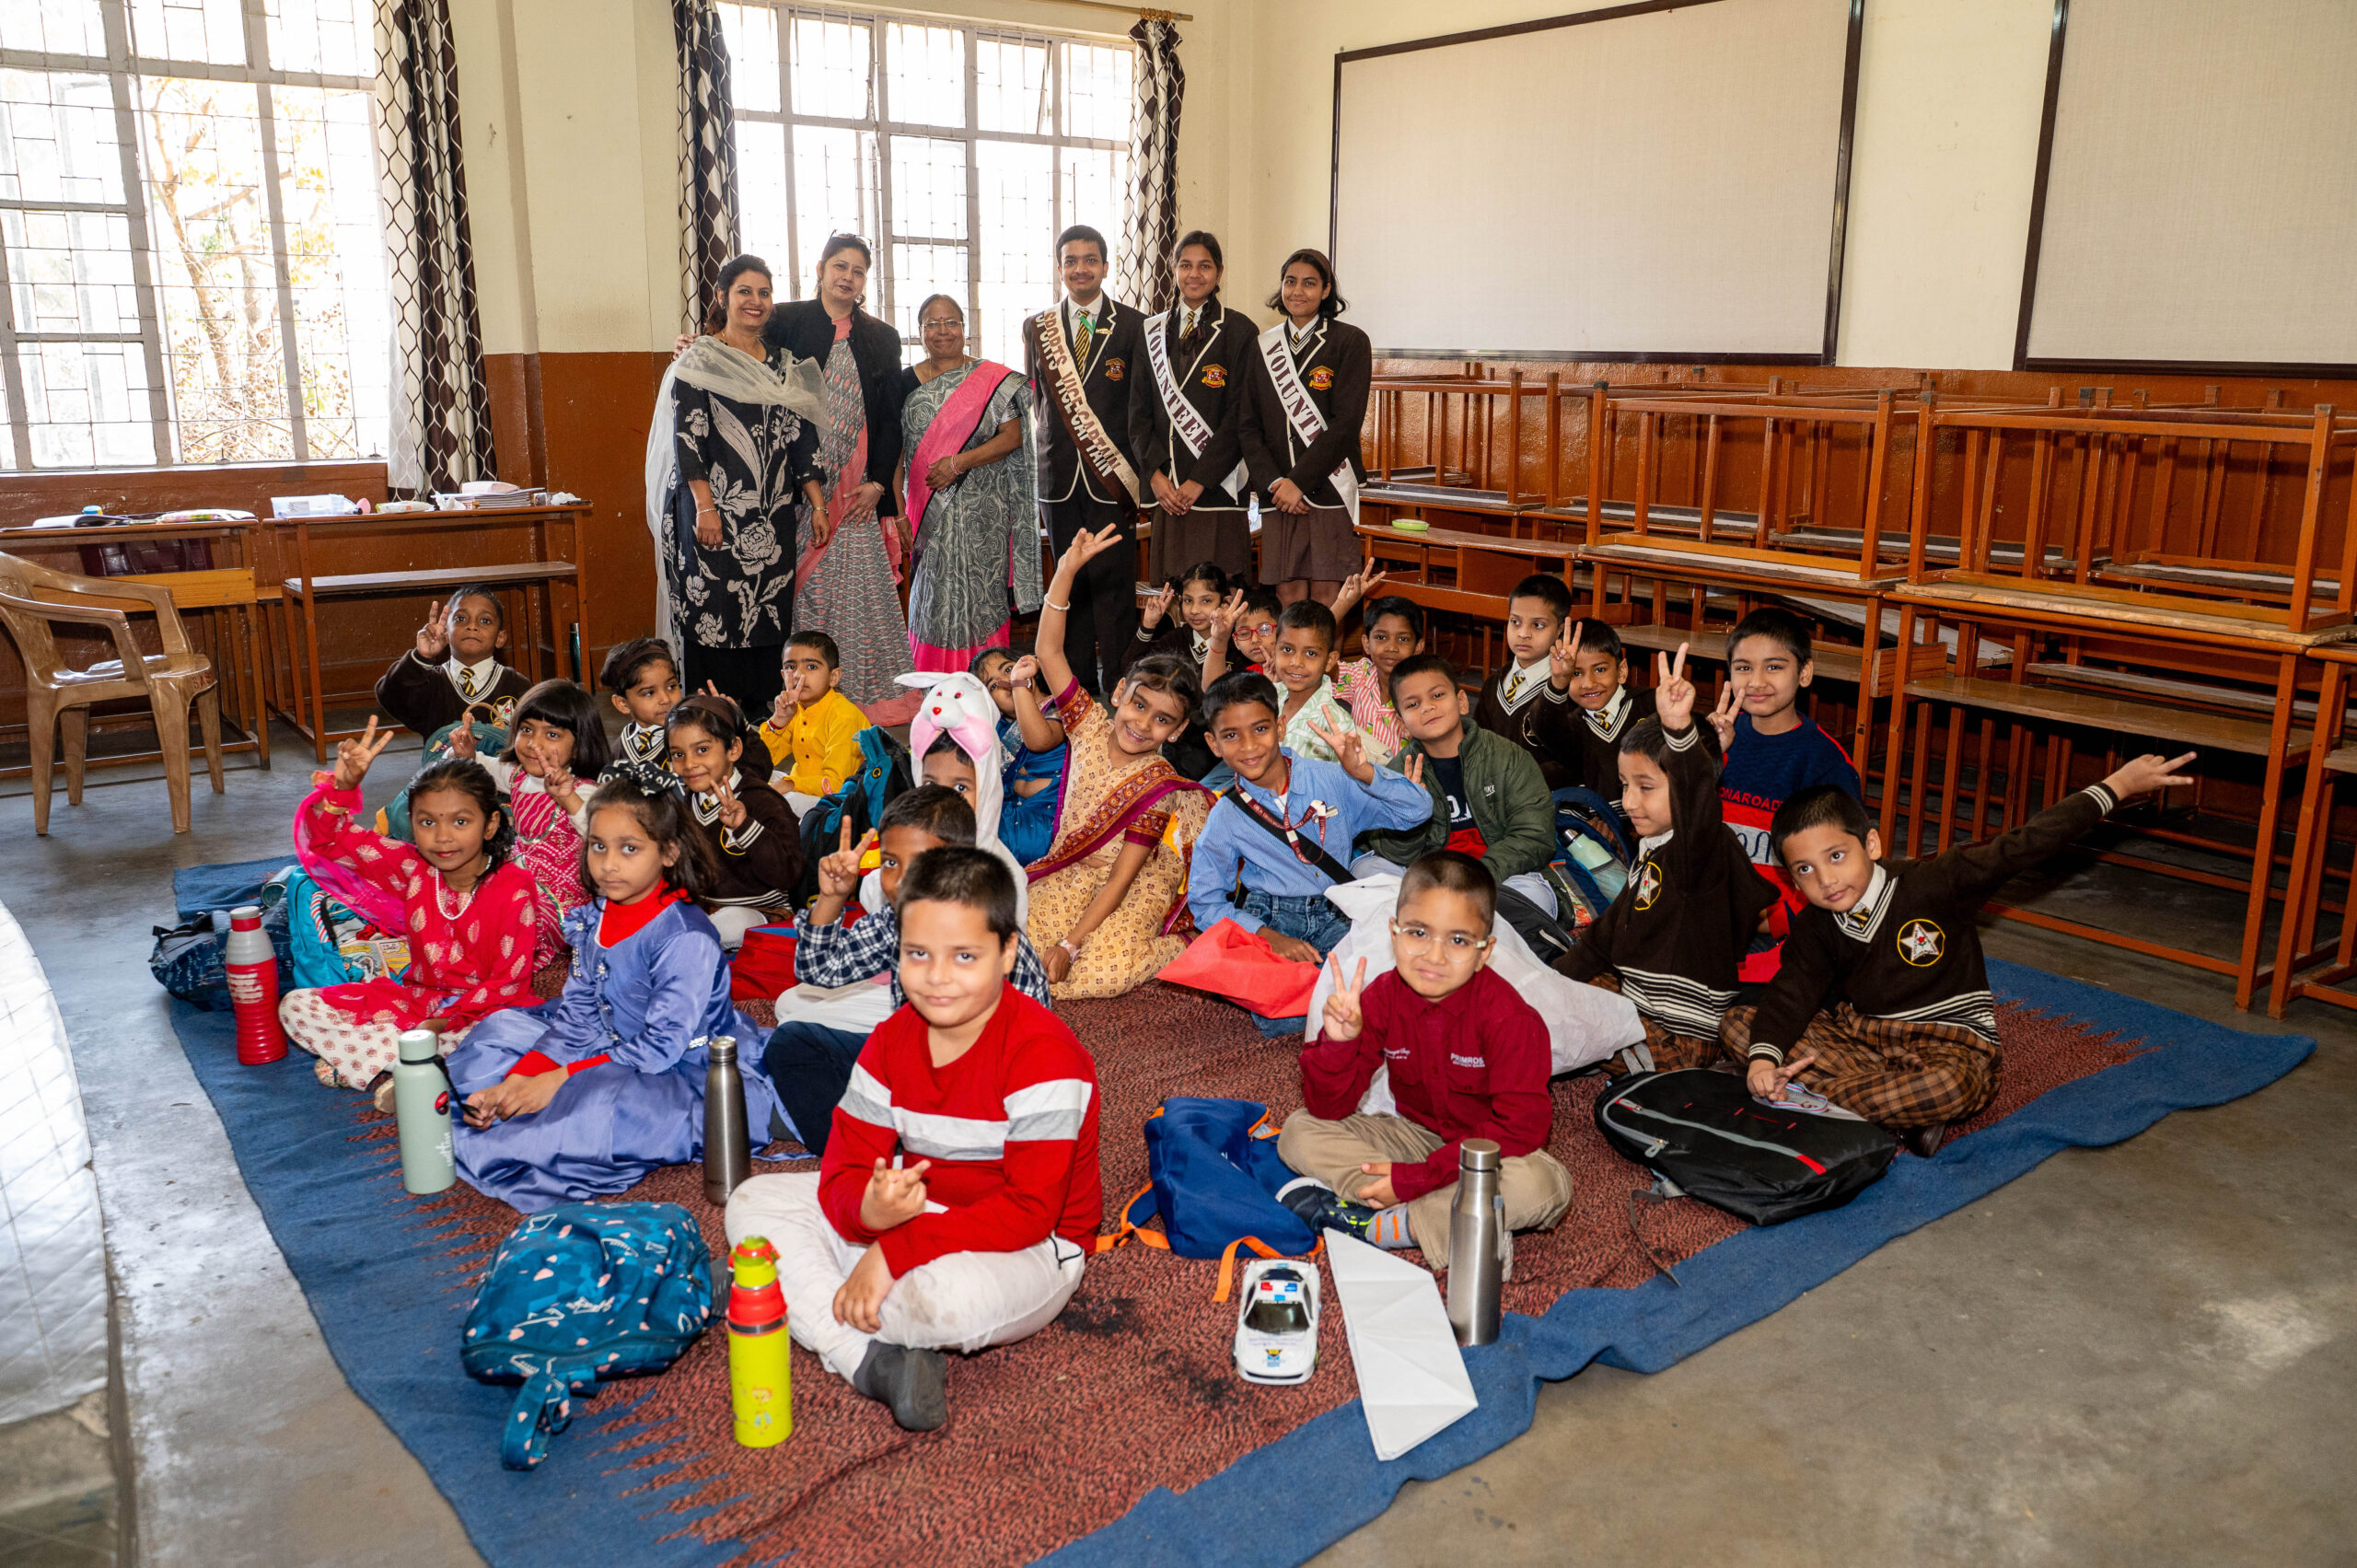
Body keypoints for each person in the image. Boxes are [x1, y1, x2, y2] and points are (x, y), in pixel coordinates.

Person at [724, 848, 1101, 1434]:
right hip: (924, 1211)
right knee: (752, 1201)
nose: (938, 976)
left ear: (1008, 953)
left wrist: (892, 1250)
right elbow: (845, 1165)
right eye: (917, 953)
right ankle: (866, 1359)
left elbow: (1030, 1211)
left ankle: (782, 1289)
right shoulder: (892, 1039)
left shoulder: (1044, 1055)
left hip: (1033, 1245)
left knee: (942, 1305)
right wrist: (869, 1212)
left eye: (964, 956)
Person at [1730, 751, 2197, 1156]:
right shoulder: (1816, 924)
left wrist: (2117, 786)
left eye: (1836, 857)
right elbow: (1793, 992)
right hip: (1865, 1044)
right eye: (1805, 869)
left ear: (1870, 843)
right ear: (1791, 877)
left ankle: (1808, 1099)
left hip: (1949, 1048)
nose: (1826, 880)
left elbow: (2024, 846)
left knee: (1950, 1088)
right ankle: (1875, 1111)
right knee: (1740, 1024)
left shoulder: (1937, 881)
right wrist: (1764, 1060)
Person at [447, 776, 779, 1212]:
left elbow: (660, 1048)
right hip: (610, 1043)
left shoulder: (685, 938)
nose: (608, 865)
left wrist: (561, 1079)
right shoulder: (598, 914)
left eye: (629, 849)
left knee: (587, 1110)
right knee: (501, 1032)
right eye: (598, 846)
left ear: (669, 853)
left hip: (680, 1068)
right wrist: (522, 1079)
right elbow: (578, 1018)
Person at [1276, 852, 1573, 1266]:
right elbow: (1329, 1108)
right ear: (1394, 934)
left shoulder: (1511, 1019)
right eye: (1418, 933)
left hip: (1489, 1154)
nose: (1435, 956)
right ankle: (1457, 1221)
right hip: (1414, 1138)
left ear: (1484, 952)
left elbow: (1520, 1129)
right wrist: (1340, 1044)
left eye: (1458, 940)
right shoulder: (1381, 996)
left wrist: (1416, 1179)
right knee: (1298, 1130)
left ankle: (1390, 1222)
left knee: (1544, 1185)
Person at [763, 790, 1052, 1156]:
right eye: (890, 862)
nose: (899, 880)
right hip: (916, 1065)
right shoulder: (895, 921)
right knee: (791, 1041)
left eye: (919, 863)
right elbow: (819, 970)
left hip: (982, 1086)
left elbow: (1029, 1060)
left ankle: (896, 1140)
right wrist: (832, 898)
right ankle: (861, 1148)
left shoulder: (993, 939)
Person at [1550, 647, 1779, 1076]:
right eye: (1625, 785)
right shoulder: (1655, 844)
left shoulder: (1701, 850)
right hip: (1638, 1003)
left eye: (1646, 786)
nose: (1629, 801)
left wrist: (1680, 732)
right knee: (1548, 987)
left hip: (1679, 1036)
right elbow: (1604, 936)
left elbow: (1695, 800)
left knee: (1554, 1026)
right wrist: (1547, 980)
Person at [280, 719, 540, 1090]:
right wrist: (343, 788)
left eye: (461, 821)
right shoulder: (412, 868)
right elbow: (330, 843)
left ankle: (389, 1062)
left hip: (482, 1014)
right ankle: (416, 1065)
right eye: (427, 822)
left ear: (490, 824)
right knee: (295, 1006)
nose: (443, 837)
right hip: (415, 1005)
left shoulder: (514, 886)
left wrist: (441, 1023)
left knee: (511, 1036)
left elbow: (508, 984)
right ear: (411, 823)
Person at [1017, 524, 1211, 1000]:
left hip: (1135, 880)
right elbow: (1048, 651)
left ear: (1178, 731)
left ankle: (1182, 944)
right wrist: (1065, 571)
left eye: (1163, 720)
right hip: (1072, 868)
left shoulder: (1157, 785)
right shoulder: (1089, 725)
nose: (1143, 724)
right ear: (1120, 692)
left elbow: (1122, 877)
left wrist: (1071, 944)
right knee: (1013, 945)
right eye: (1139, 705)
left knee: (1103, 969)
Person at [646, 254, 830, 720]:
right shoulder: (700, 360)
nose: (755, 301)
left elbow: (802, 439)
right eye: (745, 291)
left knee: (768, 609)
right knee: (715, 607)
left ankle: (763, 722)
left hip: (772, 516)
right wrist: (705, 509)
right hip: (713, 511)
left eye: (764, 293)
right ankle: (713, 718)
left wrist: (817, 504)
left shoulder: (784, 365)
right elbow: (688, 439)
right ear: (723, 297)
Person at [776, 236, 921, 726]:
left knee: (860, 588)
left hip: (858, 488)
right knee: (806, 588)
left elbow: (890, 419)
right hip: (797, 487)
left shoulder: (882, 336)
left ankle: (861, 692)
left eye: (858, 271)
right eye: (840, 266)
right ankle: (803, 697)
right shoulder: (784, 320)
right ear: (820, 268)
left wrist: (878, 483)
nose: (848, 277)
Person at [1189, 671, 1431, 961]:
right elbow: (1205, 902)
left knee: (1378, 972)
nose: (1249, 745)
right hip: (1270, 918)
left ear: (1280, 727)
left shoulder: (1333, 780)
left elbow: (1415, 811)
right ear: (1213, 744)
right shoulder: (1226, 816)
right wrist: (1263, 935)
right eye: (1231, 735)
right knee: (1285, 990)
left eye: (1260, 729)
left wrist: (1365, 774)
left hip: (1337, 909)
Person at [1024, 225, 1147, 697]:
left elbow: (1140, 406)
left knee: (1113, 583)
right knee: (1068, 584)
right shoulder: (1038, 326)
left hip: (1112, 476)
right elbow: (1039, 401)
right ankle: (1072, 685)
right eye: (1071, 261)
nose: (1081, 269)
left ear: (1105, 266)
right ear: (1059, 268)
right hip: (1057, 477)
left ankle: (1118, 682)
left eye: (1090, 260)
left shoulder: (1135, 325)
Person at [1709, 607, 1863, 983]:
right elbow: (1676, 827)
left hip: (1782, 927)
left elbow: (1844, 868)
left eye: (1774, 667)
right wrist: (1704, 759)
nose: (1757, 682)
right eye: (1743, 668)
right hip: (1710, 910)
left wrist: (1771, 919)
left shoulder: (1824, 763)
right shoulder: (1714, 742)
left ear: (1804, 673)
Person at [1355, 653, 1561, 926]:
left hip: (1496, 878)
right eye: (1413, 704)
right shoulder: (1396, 773)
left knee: (1534, 896)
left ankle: (1432, 924)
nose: (1427, 707)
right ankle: (1448, 922)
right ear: (1402, 724)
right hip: (1428, 879)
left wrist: (1476, 877)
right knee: (1365, 870)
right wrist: (1409, 810)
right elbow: (1393, 853)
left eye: (1437, 695)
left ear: (1462, 702)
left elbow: (1534, 835)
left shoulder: (1508, 757)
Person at [898, 292, 1041, 672]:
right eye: (932, 324)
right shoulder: (903, 383)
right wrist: (898, 514)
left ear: (964, 328)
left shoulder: (991, 381)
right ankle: (933, 678)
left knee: (983, 592)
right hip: (928, 511)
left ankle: (990, 676)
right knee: (933, 594)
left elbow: (1012, 437)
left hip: (985, 511)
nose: (942, 331)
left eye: (951, 322)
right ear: (920, 331)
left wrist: (958, 463)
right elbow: (894, 452)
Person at [446, 679, 610, 969]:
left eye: (552, 734)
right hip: (519, 878)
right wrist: (468, 755)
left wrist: (569, 799)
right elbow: (484, 765)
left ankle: (497, 956)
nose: (535, 744)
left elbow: (603, 836)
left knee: (512, 916)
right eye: (526, 730)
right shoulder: (517, 775)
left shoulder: (582, 789)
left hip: (562, 903)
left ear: (578, 746)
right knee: (463, 889)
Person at [1239, 248, 1371, 608]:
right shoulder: (1263, 346)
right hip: (1279, 493)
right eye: (1290, 282)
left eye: (1309, 283)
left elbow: (1346, 424)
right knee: (1287, 595)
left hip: (1329, 486)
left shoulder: (1350, 341)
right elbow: (1247, 425)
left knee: (1329, 596)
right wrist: (1274, 483)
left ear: (1326, 290)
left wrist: (1298, 482)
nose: (1297, 291)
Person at [1128, 230, 1257, 584]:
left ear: (1219, 272)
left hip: (1218, 486)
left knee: (1220, 590)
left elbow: (1241, 416)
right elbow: (1137, 414)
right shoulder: (1150, 331)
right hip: (1168, 490)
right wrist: (1154, 476)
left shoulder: (1240, 330)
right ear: (1174, 270)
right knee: (1174, 590)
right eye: (1186, 265)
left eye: (1205, 266)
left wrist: (1199, 481)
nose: (1194, 274)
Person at [665, 693, 803, 951]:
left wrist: (745, 827)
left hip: (759, 912)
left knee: (731, 924)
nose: (689, 764)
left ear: (734, 749)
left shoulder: (763, 801)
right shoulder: (683, 801)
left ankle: (688, 946)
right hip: (705, 908)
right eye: (678, 754)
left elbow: (787, 875)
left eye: (702, 750)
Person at [374, 585, 530, 739]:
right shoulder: (430, 684)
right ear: (446, 632)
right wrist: (421, 657)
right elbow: (389, 695)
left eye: (485, 621)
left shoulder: (517, 686)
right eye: (460, 619)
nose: (472, 626)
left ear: (500, 638)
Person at [1472, 574, 1581, 791]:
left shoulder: (1567, 690)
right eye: (1515, 622)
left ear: (1559, 630)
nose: (1523, 634)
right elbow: (1476, 744)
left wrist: (1518, 784)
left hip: (1543, 797)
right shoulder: (1494, 684)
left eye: (1538, 625)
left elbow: (1572, 762)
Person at [1211, 599, 1353, 764]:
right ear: (1275, 649)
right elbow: (1218, 699)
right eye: (1287, 649)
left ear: (1330, 661)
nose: (1296, 662)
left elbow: (1347, 778)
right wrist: (1219, 640)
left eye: (1311, 653)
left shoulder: (1337, 722)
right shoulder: (1267, 698)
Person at [1127, 562, 1231, 783]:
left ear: (1225, 603)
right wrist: (1148, 625)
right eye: (1188, 600)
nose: (1194, 610)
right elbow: (1131, 670)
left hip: (1215, 739)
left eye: (1206, 601)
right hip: (1174, 736)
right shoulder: (1176, 639)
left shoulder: (1235, 645)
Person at [756, 630, 871, 811]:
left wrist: (789, 784)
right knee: (744, 776)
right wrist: (779, 719)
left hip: (840, 799)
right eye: (791, 667)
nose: (798, 675)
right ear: (783, 676)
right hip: (801, 786)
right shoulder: (795, 708)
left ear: (833, 677)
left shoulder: (844, 716)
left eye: (811, 667)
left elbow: (836, 784)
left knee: (773, 802)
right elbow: (760, 760)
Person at [1544, 618, 1654, 807]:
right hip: (1594, 816)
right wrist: (1558, 682)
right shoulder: (1571, 725)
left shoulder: (1650, 704)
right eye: (1576, 674)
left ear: (1622, 671)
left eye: (1600, 670)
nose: (1588, 683)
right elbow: (1545, 727)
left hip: (1650, 815)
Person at [972, 647, 1066, 865]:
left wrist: (1019, 687)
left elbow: (1041, 741)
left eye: (1008, 670)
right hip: (1013, 809)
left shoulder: (1056, 708)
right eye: (993, 686)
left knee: (989, 845)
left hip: (1052, 815)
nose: (1006, 681)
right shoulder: (1000, 730)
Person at [1329, 579, 1419, 766]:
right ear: (1366, 644)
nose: (1391, 647)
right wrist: (1342, 604)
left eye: (1403, 639)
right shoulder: (1360, 675)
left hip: (1401, 777)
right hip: (1358, 772)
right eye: (1381, 637)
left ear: (1418, 647)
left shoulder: (1423, 691)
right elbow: (1316, 654)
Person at [598, 636, 684, 788]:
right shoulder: (619, 751)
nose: (665, 699)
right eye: (649, 693)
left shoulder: (688, 737)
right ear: (623, 704)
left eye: (671, 686)